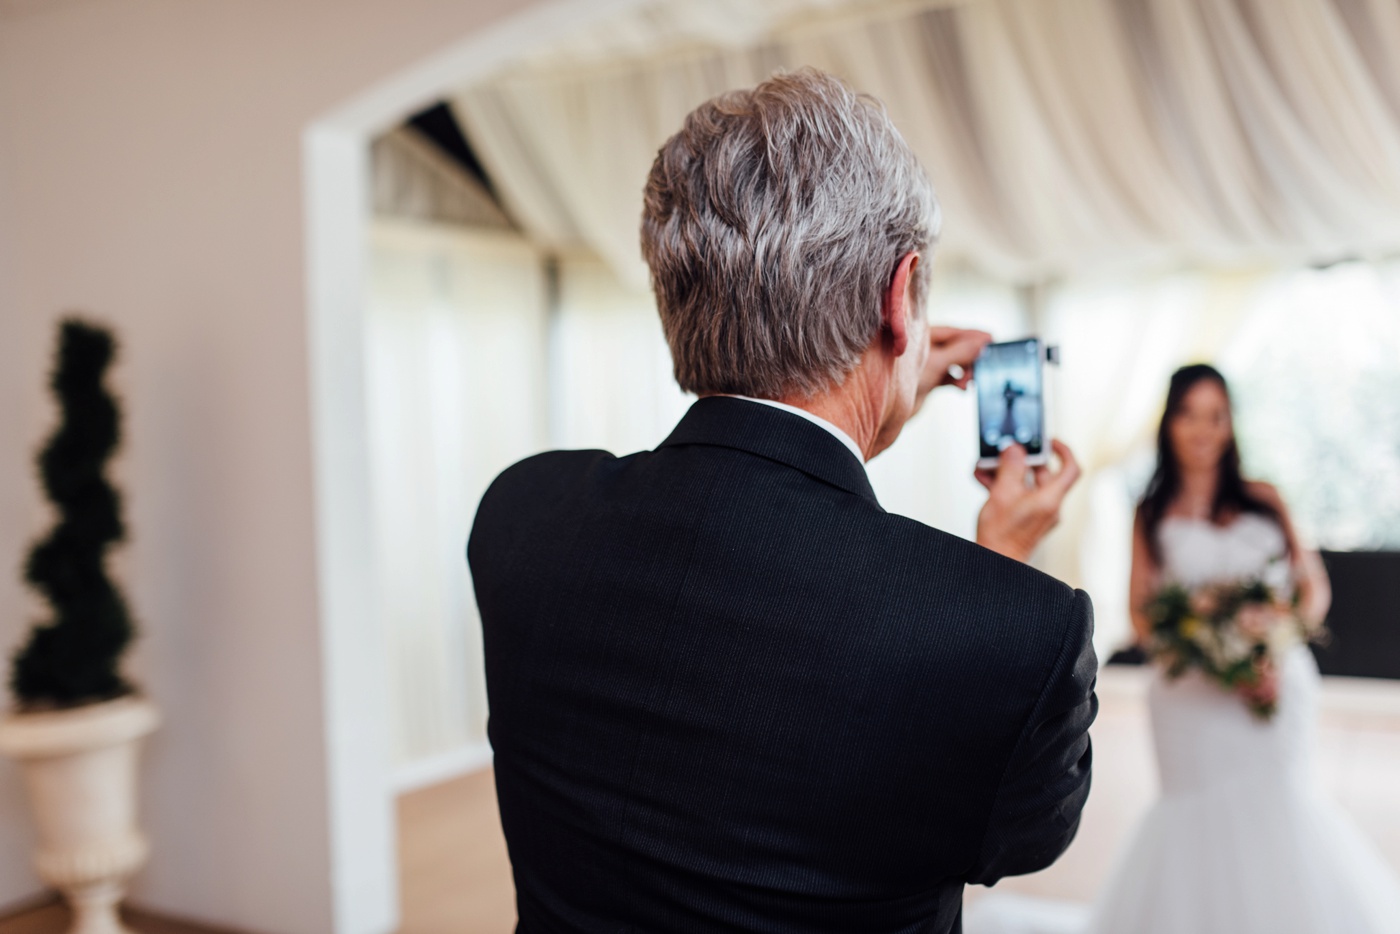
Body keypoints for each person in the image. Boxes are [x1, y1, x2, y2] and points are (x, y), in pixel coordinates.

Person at [468, 68, 1094, 934]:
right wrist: (998, 567)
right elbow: (1023, 834)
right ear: (898, 294)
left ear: (674, 292)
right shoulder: (1018, 629)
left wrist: (880, 386)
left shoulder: (522, 514)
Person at [966, 364, 1400, 934]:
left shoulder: (1264, 498)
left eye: (1215, 416)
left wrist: (1272, 637)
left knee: (1279, 804)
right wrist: (1214, 652)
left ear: (1230, 424)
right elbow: (1143, 618)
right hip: (1191, 696)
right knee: (1197, 817)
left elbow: (1313, 587)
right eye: (1189, 414)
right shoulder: (1151, 511)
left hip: (1275, 682)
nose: (1203, 430)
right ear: (1170, 423)